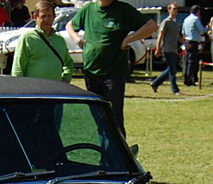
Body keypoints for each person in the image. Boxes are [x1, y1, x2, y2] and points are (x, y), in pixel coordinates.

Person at [66, 0, 155, 138]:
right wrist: (77, 39)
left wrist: (128, 39)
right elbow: (70, 25)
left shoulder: (123, 10)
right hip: (91, 72)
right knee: (97, 117)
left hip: (113, 74)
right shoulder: (88, 9)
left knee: (114, 119)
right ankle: (102, 153)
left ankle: (118, 156)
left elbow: (152, 26)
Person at [11, 0, 70, 82]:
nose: (46, 19)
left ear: (54, 17)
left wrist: (66, 78)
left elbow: (69, 63)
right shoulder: (27, 39)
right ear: (35, 17)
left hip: (55, 90)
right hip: (34, 91)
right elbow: (18, 68)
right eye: (43, 16)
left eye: (49, 16)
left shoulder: (59, 40)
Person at [150, 2, 181, 94]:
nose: (175, 11)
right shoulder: (166, 22)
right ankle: (175, 90)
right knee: (172, 70)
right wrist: (158, 48)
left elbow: (178, 36)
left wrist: (185, 43)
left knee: (170, 69)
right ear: (169, 10)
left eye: (176, 9)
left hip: (174, 49)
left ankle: (155, 83)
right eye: (173, 9)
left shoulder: (175, 23)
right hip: (168, 49)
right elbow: (160, 35)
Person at [181, 4, 206, 86]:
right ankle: (189, 80)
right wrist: (208, 28)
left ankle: (185, 78)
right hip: (193, 42)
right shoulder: (196, 19)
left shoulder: (186, 19)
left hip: (187, 41)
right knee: (192, 62)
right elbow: (202, 30)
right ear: (197, 11)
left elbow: (183, 32)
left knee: (187, 61)